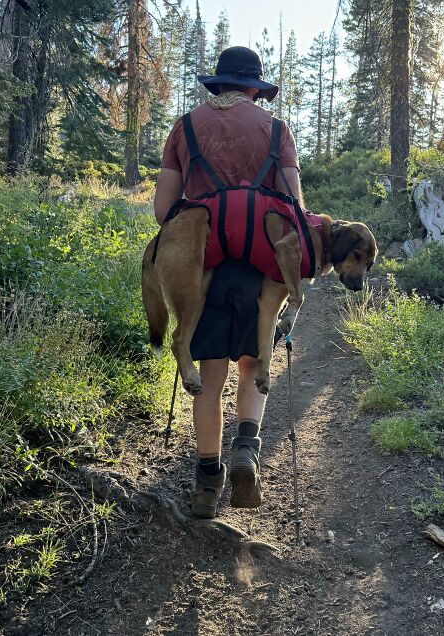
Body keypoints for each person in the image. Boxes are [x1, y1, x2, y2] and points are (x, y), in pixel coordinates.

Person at [154, 46, 304, 519]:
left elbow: (164, 212)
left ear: (217, 84)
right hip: (260, 270)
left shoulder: (184, 127)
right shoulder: (277, 131)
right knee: (253, 364)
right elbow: (294, 209)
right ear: (256, 89)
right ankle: (246, 450)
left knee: (210, 377)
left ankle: (206, 482)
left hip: (202, 266)